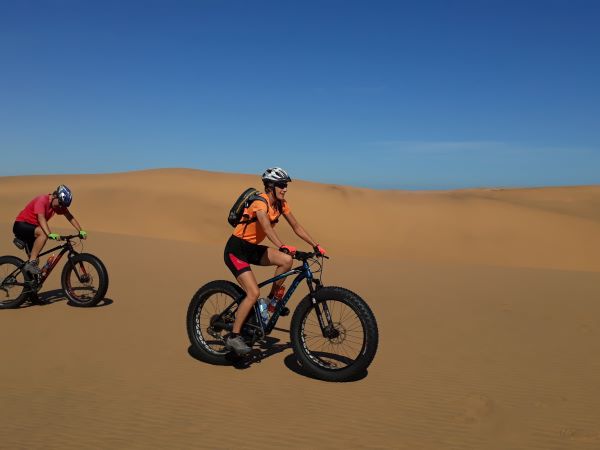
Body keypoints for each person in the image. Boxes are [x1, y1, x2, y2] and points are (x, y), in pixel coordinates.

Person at [223, 167, 327, 355]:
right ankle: (233, 336)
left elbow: (296, 226)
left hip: (253, 249)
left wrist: (315, 245)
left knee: (286, 261)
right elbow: (266, 227)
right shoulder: (259, 203)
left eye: (286, 185)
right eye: (281, 185)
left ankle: (270, 303)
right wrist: (281, 245)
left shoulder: (281, 204)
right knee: (253, 293)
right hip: (236, 249)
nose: (285, 188)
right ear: (270, 186)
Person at [13, 185, 87, 275]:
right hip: (21, 225)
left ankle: (30, 284)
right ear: (55, 196)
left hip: (34, 230)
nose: (61, 206)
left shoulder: (58, 205)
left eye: (63, 205)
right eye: (60, 203)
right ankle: (31, 262)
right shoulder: (42, 200)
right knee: (43, 235)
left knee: (35, 259)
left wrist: (80, 230)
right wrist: (49, 234)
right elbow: (41, 218)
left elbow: (69, 216)